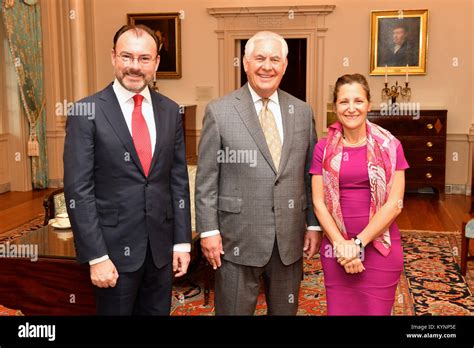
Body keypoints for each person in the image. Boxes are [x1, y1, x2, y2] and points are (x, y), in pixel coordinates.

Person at [63, 24, 192, 315]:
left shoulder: (171, 111)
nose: (135, 66)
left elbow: (177, 180)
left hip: (160, 252)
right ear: (113, 57)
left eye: (144, 58)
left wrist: (182, 242)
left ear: (156, 62)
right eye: (126, 57)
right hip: (111, 254)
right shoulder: (87, 113)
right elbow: (78, 191)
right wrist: (96, 256)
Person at [195, 31, 322, 315]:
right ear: (245, 63)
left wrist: (313, 224)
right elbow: (206, 181)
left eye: (275, 59)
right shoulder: (220, 111)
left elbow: (310, 174)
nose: (267, 66)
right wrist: (209, 231)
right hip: (236, 241)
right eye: (260, 58)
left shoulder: (302, 111)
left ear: (285, 65)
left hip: (288, 241)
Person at [310, 73, 409, 315]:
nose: (351, 108)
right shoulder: (323, 149)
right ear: (335, 107)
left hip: (379, 249)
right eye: (344, 102)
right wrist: (341, 245)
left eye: (358, 101)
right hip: (337, 249)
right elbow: (318, 203)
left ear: (369, 105)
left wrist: (357, 244)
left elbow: (395, 204)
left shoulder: (390, 146)